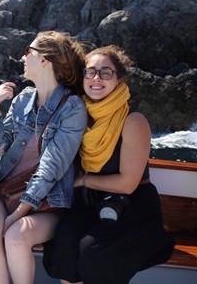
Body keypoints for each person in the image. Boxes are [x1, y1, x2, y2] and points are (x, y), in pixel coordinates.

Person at [42, 45, 175, 284]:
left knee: (94, 255)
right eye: (90, 72)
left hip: (132, 207)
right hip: (89, 203)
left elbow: (127, 184)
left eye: (105, 72)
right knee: (64, 249)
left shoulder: (133, 121)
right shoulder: (77, 115)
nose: (96, 78)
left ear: (119, 79)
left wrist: (82, 180)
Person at [0, 30, 88, 283]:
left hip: (47, 202)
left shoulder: (72, 109)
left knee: (16, 237)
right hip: (7, 191)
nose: (22, 57)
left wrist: (19, 213)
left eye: (28, 52)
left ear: (45, 60)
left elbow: (52, 167)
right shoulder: (23, 99)